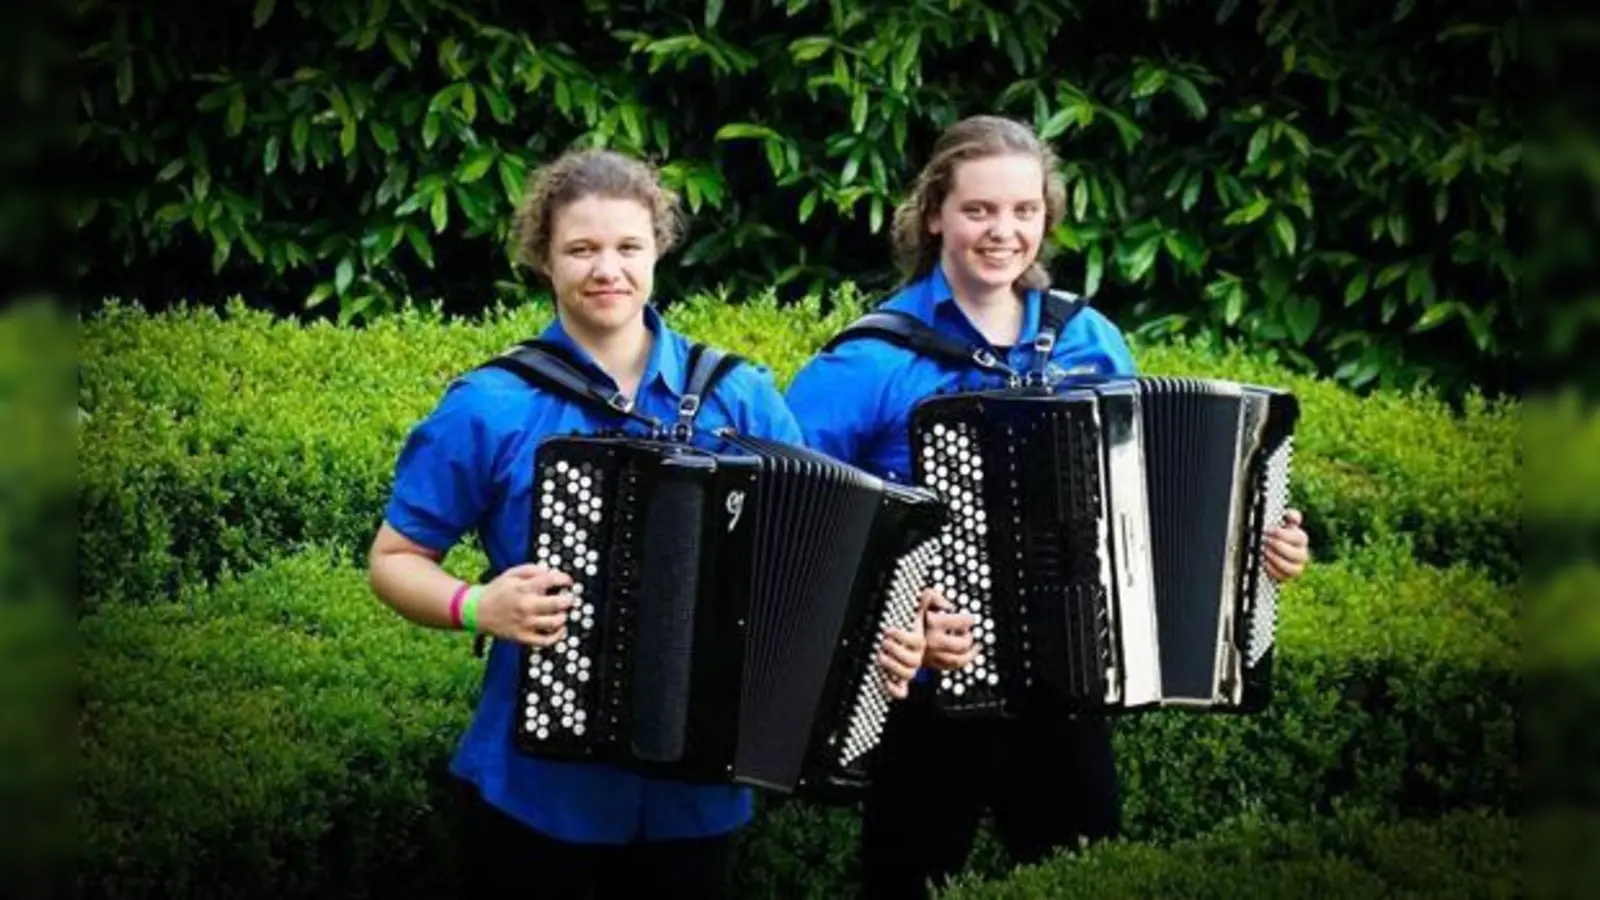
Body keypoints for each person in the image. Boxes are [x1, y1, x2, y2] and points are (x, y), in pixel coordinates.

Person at [365, 147, 930, 899]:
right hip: (538, 792)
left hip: (701, 796)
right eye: (582, 249)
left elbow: (828, 556)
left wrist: (887, 640)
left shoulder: (738, 395)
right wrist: (479, 603)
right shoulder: (491, 404)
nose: (608, 269)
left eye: (629, 247)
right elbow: (395, 558)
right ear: (543, 258)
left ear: (658, 249)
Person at [783, 114, 1313, 899]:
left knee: (1086, 883)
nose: (1004, 232)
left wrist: (1255, 548)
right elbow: (795, 521)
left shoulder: (1089, 337)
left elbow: (1147, 497)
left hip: (1074, 691)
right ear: (934, 215)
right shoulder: (870, 358)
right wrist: (896, 616)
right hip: (935, 703)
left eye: (1024, 211)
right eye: (979, 211)